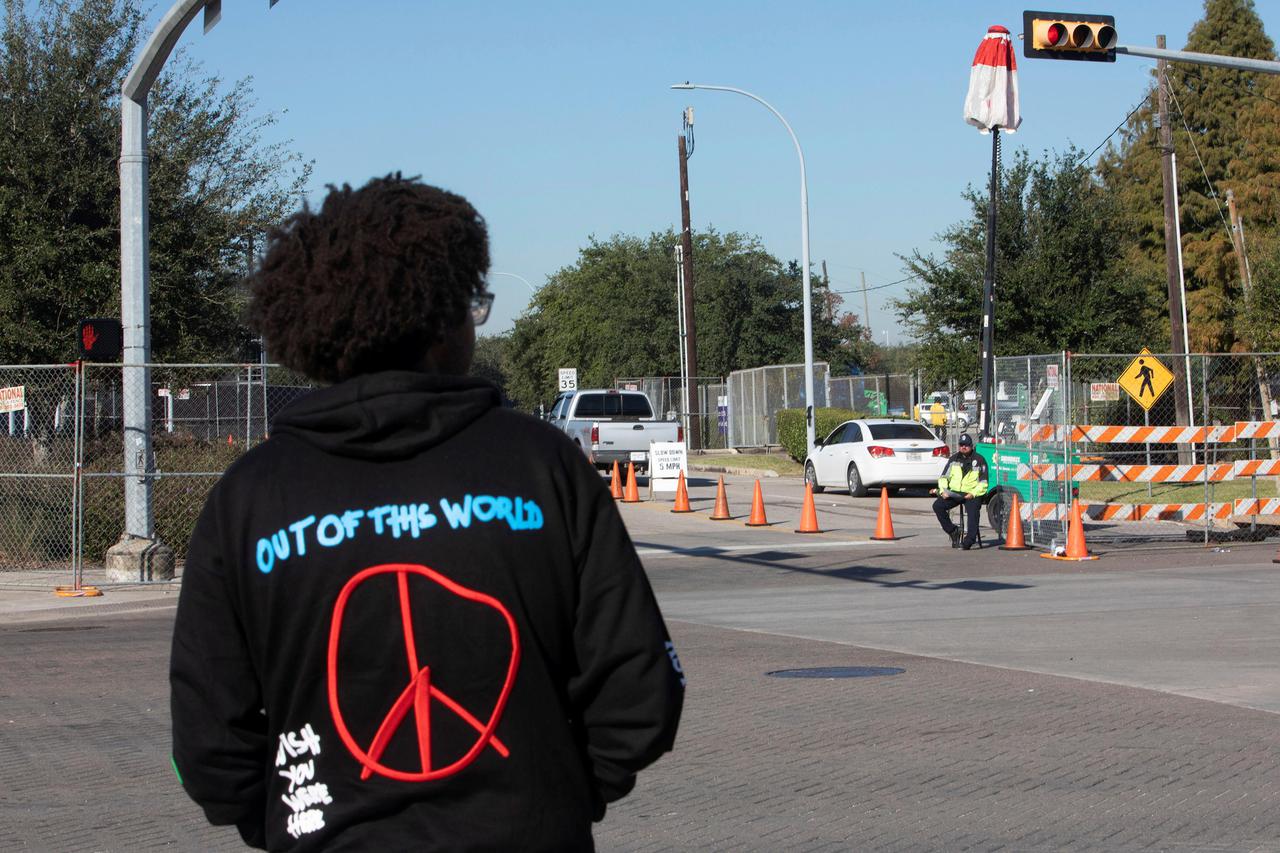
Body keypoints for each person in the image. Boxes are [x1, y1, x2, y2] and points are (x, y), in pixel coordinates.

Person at [170, 174, 684, 851]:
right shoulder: (543, 468)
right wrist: (557, 794)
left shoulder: (250, 498)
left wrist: (288, 820)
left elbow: (207, 742)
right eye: (471, 303)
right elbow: (641, 691)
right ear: (440, 319)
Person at [931, 432, 989, 550]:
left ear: (971, 446)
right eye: (961, 444)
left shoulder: (979, 460)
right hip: (955, 492)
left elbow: (984, 483)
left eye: (966, 445)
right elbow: (943, 478)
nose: (963, 447)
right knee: (937, 506)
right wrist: (943, 491)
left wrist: (972, 494)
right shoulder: (953, 459)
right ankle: (953, 531)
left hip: (972, 493)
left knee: (973, 511)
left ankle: (969, 540)